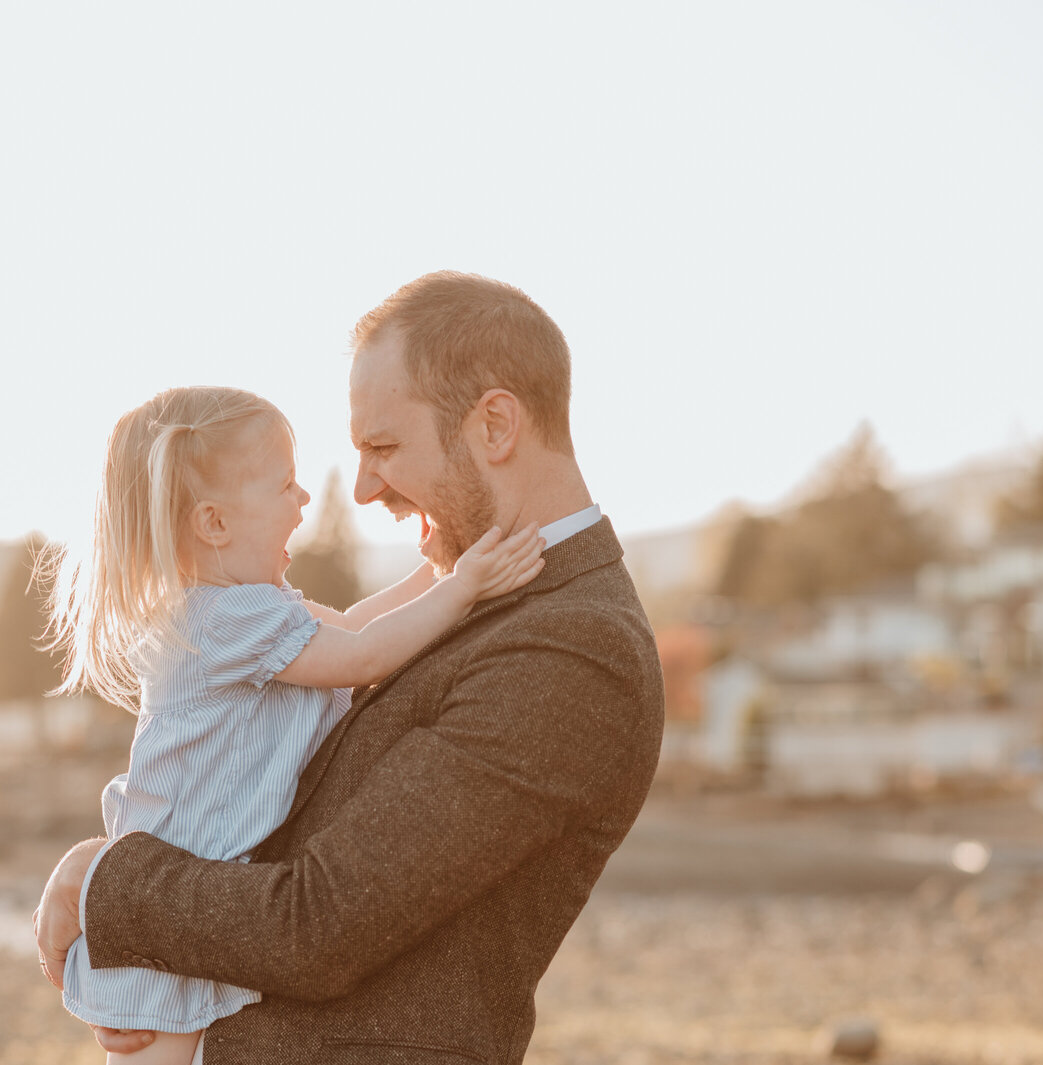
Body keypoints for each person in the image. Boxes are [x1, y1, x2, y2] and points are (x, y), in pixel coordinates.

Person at [36, 271, 666, 1064]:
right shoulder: (488, 600)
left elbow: (317, 923)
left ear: (495, 425)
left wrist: (106, 881)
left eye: (385, 447)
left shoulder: (573, 649)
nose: (363, 487)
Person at [44, 384, 548, 1064]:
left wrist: (438, 571)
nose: (305, 499)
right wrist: (465, 588)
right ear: (215, 523)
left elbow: (354, 625)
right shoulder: (224, 618)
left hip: (188, 903)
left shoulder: (252, 607)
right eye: (284, 484)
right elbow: (362, 656)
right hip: (167, 916)